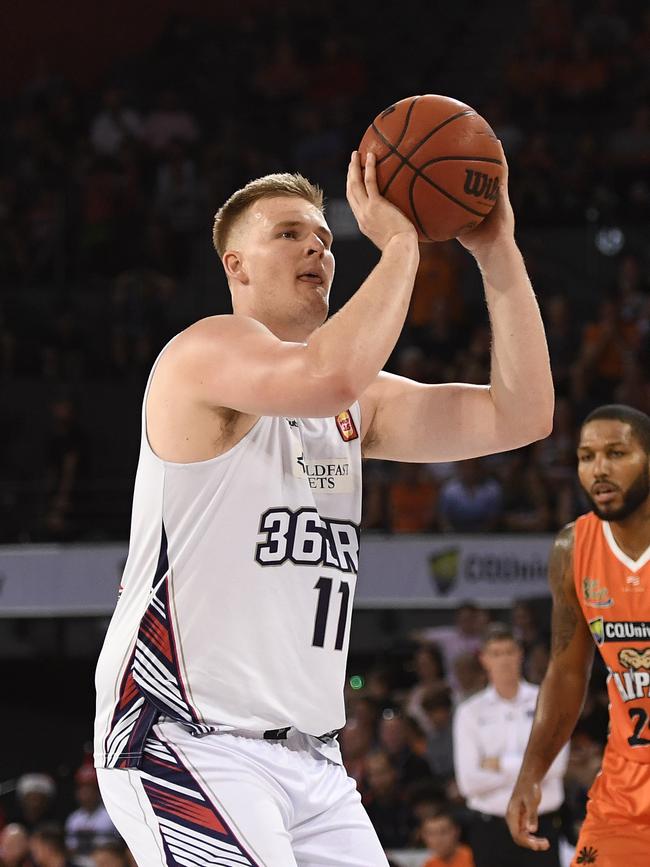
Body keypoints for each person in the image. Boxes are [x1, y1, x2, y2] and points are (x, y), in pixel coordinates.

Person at [94, 146, 553, 866]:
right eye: (288, 233)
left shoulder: (353, 406)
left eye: (326, 238)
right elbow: (331, 371)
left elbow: (521, 414)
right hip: (185, 736)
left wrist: (496, 252)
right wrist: (403, 241)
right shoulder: (204, 352)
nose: (317, 245)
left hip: (314, 762)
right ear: (235, 267)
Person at [507, 404, 650, 867]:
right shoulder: (573, 548)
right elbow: (567, 673)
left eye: (617, 453)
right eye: (586, 457)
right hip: (625, 789)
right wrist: (532, 773)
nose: (599, 469)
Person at [453, 624, 568, 867]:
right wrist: (531, 766)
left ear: (520, 654)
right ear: (484, 659)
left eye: (508, 651)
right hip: (490, 827)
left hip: (541, 822)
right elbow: (468, 782)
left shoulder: (547, 701)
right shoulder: (469, 712)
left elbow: (556, 766)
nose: (503, 660)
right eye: (496, 653)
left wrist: (497, 764)